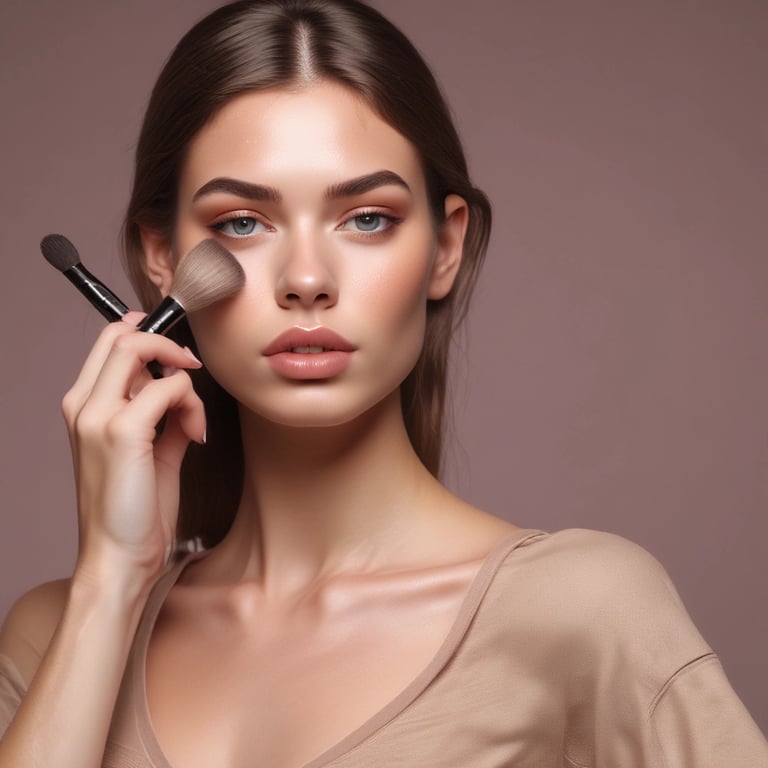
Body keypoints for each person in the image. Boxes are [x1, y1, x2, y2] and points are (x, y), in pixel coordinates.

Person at [0, 0, 766, 766]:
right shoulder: (55, 635)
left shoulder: (580, 610)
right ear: (162, 260)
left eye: (366, 218)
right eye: (242, 222)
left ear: (445, 246)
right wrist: (111, 584)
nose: (306, 279)